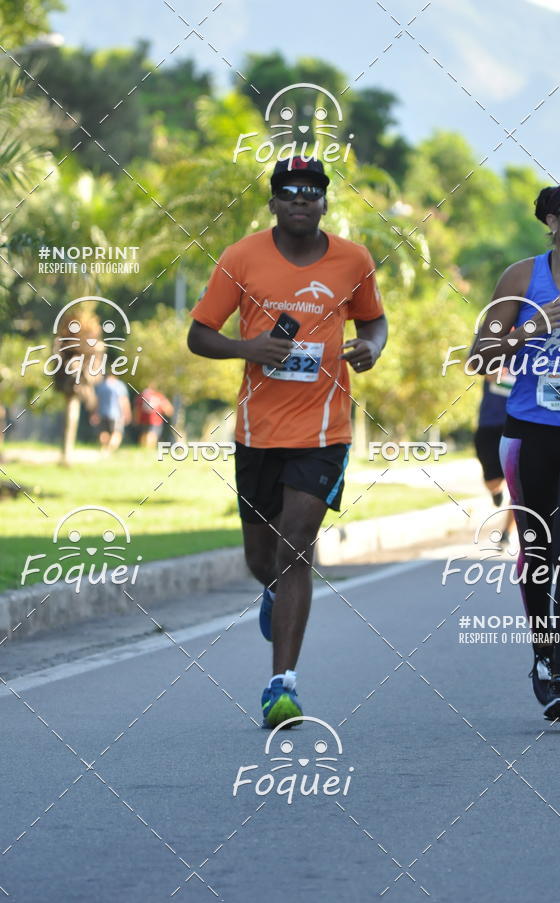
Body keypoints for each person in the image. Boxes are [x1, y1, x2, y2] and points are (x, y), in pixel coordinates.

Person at [187, 157, 387, 728]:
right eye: (289, 191)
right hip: (258, 433)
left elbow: (374, 321)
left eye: (312, 191)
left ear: (324, 202)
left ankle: (282, 688)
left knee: (296, 544)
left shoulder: (354, 259)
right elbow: (199, 335)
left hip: (324, 431)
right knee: (262, 558)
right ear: (273, 202)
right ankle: (276, 596)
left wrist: (372, 347)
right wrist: (248, 349)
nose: (301, 199)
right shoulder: (241, 257)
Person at [471, 176, 560, 722]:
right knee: (537, 554)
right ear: (551, 222)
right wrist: (531, 329)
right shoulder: (522, 277)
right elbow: (479, 356)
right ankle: (542, 658)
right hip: (526, 431)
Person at [474, 372, 515, 543]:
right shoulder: (490, 344)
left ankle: (506, 531)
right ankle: (496, 491)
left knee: (519, 485)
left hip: (520, 421)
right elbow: (472, 364)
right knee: (492, 480)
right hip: (489, 423)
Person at [91, 373, 131, 453]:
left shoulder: (101, 386)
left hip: (102, 413)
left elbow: (96, 401)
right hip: (116, 414)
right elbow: (123, 401)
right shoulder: (119, 385)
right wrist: (127, 413)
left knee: (103, 432)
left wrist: (94, 413)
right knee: (117, 433)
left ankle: (104, 449)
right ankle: (109, 450)